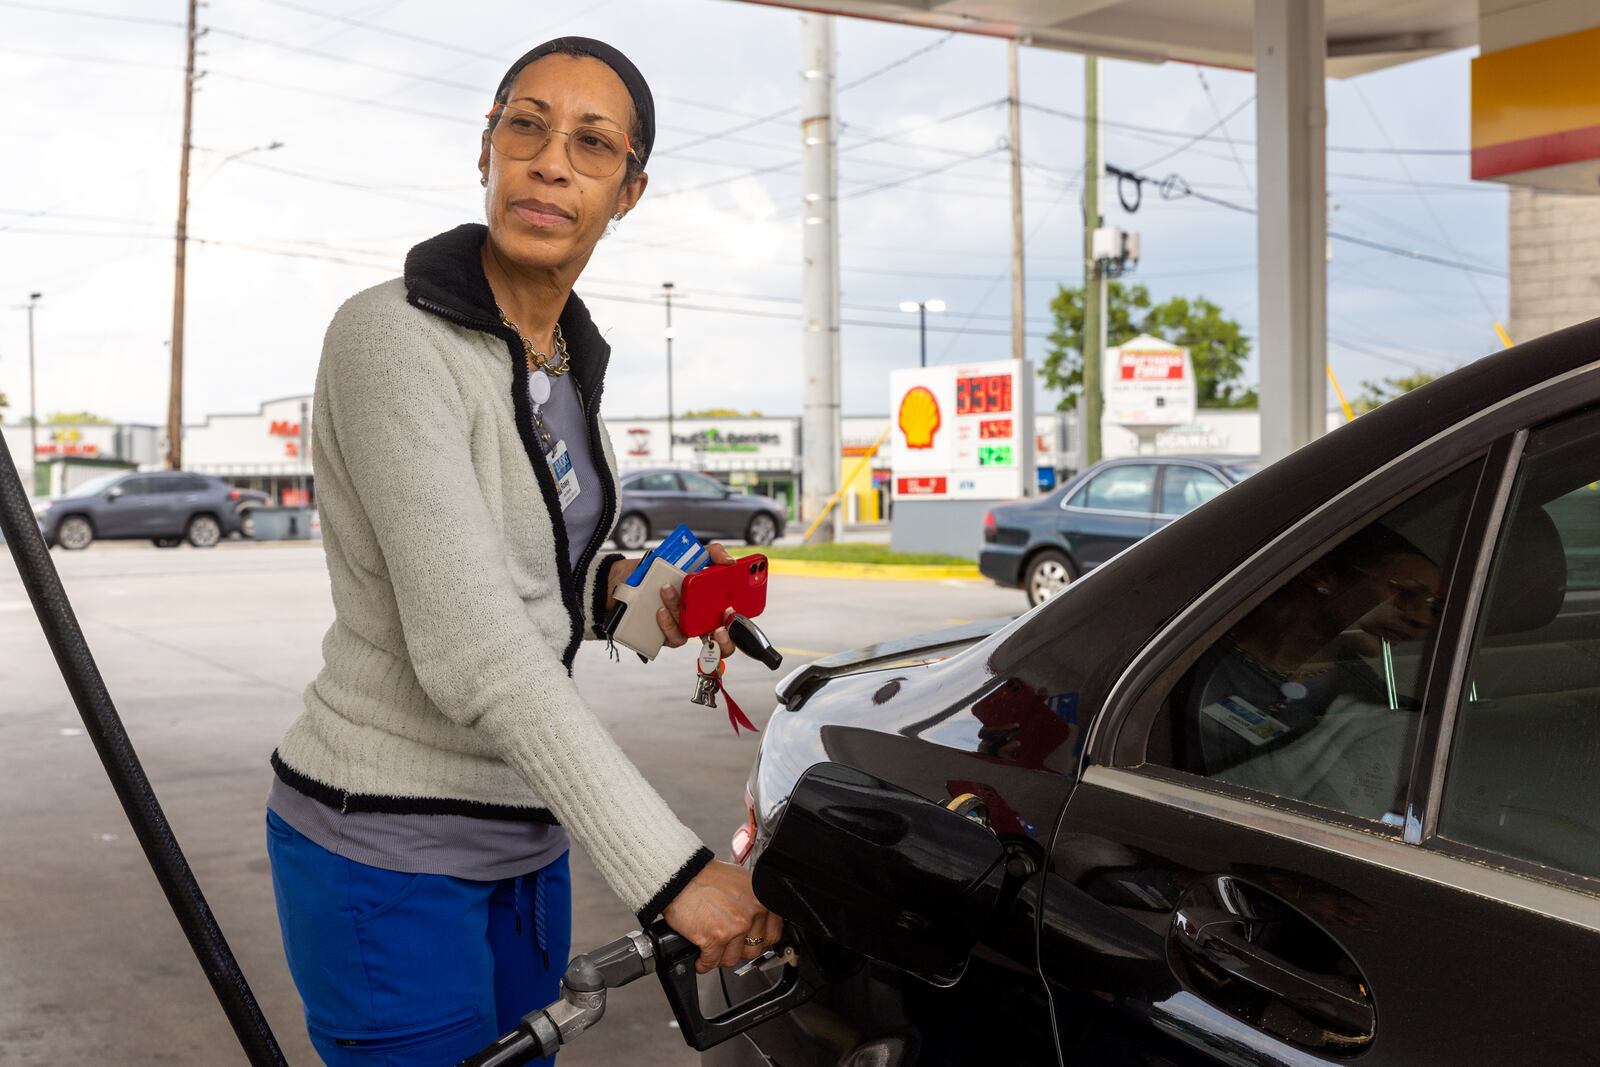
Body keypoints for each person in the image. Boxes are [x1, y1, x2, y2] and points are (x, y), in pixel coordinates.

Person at [262, 38, 780, 1066]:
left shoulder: (560, 355)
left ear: (628, 191)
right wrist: (674, 875)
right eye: (526, 125)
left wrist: (624, 588)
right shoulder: (390, 338)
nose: (550, 160)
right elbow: (475, 645)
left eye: (592, 144)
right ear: (486, 149)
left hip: (523, 833)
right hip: (385, 841)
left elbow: (534, 560)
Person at [1176, 524, 1446, 818]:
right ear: (1322, 575)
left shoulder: (1368, 708)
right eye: (1407, 594)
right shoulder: (1183, 651)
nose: (1423, 620)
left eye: (1434, 609)